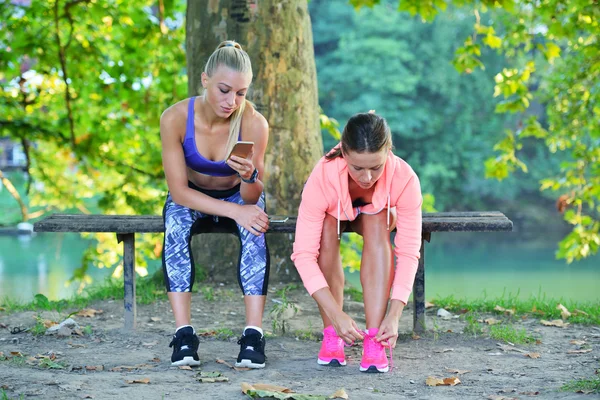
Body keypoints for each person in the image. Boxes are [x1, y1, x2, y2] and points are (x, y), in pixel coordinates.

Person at [160, 40, 270, 368]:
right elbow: (178, 192)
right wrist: (234, 211)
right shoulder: (175, 118)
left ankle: (253, 336)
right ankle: (184, 336)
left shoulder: (253, 124)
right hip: (192, 195)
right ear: (205, 79)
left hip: (237, 194)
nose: (231, 101)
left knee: (256, 227)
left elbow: (251, 197)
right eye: (224, 90)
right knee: (175, 227)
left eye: (240, 93)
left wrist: (250, 178)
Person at [291, 112, 422, 373]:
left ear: (388, 152)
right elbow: (303, 255)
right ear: (344, 155)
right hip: (334, 212)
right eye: (357, 168)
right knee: (326, 229)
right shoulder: (322, 177)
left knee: (377, 221)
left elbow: (408, 253)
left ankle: (375, 338)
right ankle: (332, 332)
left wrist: (394, 315)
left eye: (376, 167)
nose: (366, 177)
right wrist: (336, 315)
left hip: (378, 216)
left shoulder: (405, 178)